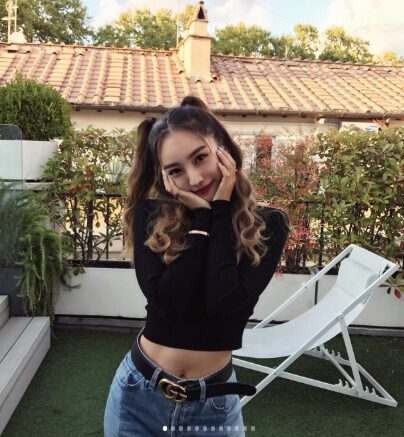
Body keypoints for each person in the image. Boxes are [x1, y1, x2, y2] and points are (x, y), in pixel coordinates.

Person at [104, 95, 290, 436]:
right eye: (175, 170)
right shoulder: (150, 217)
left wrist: (219, 210)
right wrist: (202, 219)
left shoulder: (268, 225)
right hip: (138, 396)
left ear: (223, 149)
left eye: (200, 157)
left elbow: (225, 307)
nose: (193, 178)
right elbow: (168, 303)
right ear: (164, 177)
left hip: (214, 407)